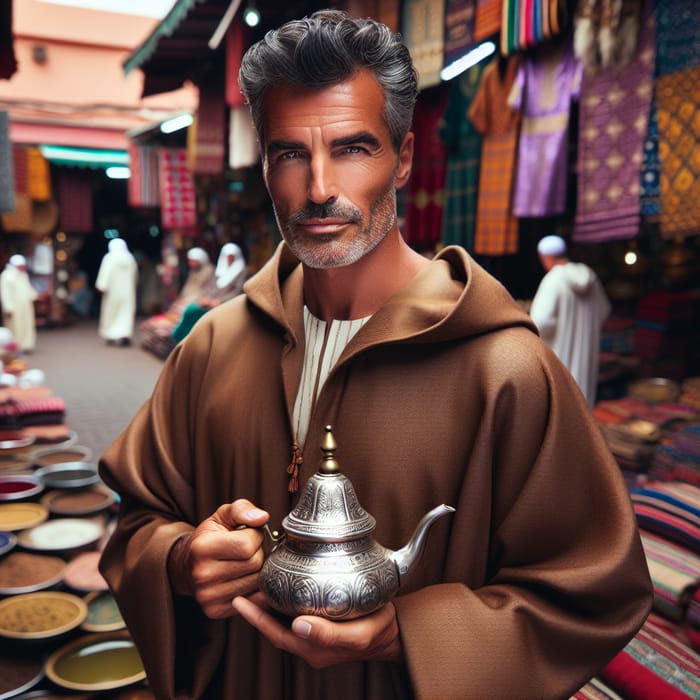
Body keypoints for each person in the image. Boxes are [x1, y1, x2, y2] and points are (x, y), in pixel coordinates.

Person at [99, 11, 651, 700]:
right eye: (290, 153)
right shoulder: (212, 347)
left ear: (406, 157)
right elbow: (134, 523)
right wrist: (180, 561)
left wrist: (410, 635)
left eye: (354, 147)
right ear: (266, 164)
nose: (320, 186)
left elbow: (593, 594)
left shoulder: (505, 373)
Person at [530, 234, 611, 407]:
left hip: (560, 356)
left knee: (562, 404)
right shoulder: (589, 276)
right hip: (586, 354)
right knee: (583, 401)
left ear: (546, 257)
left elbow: (540, 321)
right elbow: (604, 310)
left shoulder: (553, 280)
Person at [139, 246, 216, 359]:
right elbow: (188, 288)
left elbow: (206, 291)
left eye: (193, 261)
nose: (191, 263)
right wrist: (181, 299)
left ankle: (173, 340)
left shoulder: (209, 271)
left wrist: (194, 301)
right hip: (188, 300)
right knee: (173, 311)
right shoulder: (194, 271)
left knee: (184, 314)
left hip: (197, 302)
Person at [172, 242, 248, 343]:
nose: (229, 259)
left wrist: (219, 300)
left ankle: (189, 340)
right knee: (190, 309)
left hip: (226, 304)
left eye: (231, 257)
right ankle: (185, 340)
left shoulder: (241, 271)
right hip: (211, 302)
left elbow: (238, 291)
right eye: (227, 257)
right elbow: (211, 287)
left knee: (193, 312)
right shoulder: (221, 270)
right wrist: (207, 298)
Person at [95, 238, 138, 346]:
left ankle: (111, 334)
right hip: (127, 293)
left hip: (112, 293)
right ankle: (124, 333)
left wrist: (101, 286)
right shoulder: (130, 259)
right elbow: (135, 277)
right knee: (125, 313)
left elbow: (104, 276)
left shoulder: (109, 258)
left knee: (112, 313)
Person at [0, 254, 38, 353]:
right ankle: (15, 348)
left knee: (26, 327)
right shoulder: (6, 276)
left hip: (25, 306)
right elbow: (5, 293)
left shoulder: (23, 275)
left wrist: (35, 295)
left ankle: (25, 346)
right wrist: (8, 308)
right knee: (15, 328)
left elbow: (28, 289)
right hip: (14, 308)